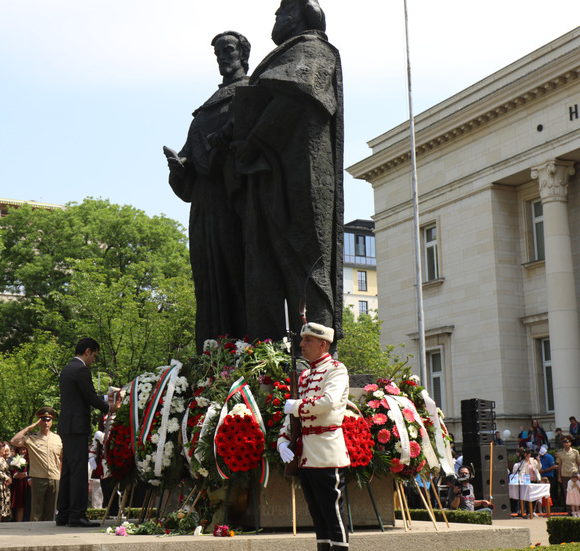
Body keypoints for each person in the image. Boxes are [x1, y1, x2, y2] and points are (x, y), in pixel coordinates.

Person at [231, 0, 344, 345]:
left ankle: (318, 356)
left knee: (306, 266)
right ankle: (265, 360)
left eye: (281, 12)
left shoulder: (314, 49)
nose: (276, 18)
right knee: (263, 266)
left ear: (297, 15)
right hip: (269, 173)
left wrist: (251, 140)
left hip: (301, 175)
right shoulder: (285, 55)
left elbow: (291, 102)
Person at [166, 31, 251, 344]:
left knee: (235, 271)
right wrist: (179, 166)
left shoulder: (250, 92)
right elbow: (190, 151)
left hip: (233, 200)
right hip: (204, 204)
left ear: (243, 53)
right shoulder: (204, 111)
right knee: (207, 277)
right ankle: (212, 352)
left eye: (227, 49)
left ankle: (246, 348)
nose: (222, 57)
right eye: (217, 52)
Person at [277, 322, 349, 551]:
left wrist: (296, 405)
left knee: (333, 515)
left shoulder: (336, 369)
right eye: (302, 339)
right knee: (318, 518)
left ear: (322, 344)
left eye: (307, 340)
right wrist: (282, 441)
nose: (301, 344)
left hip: (327, 453)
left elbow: (328, 402)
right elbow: (292, 417)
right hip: (307, 454)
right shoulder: (306, 375)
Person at [57, 338, 119, 527]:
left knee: (68, 470)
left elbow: (82, 396)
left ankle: (64, 514)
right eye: (94, 355)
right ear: (87, 351)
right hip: (77, 427)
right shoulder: (82, 370)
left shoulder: (67, 369)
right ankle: (77, 515)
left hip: (67, 427)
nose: (93, 360)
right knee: (78, 473)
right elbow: (89, 397)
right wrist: (110, 407)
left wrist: (103, 399)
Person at [11, 406, 63, 521]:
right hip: (38, 478)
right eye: (43, 420)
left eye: (48, 420)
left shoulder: (58, 438)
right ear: (39, 422)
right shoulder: (32, 438)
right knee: (36, 512)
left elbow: (61, 459)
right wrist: (29, 428)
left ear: (52, 422)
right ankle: (33, 534)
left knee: (51, 511)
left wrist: (61, 476)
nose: (46, 422)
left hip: (55, 477)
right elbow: (14, 441)